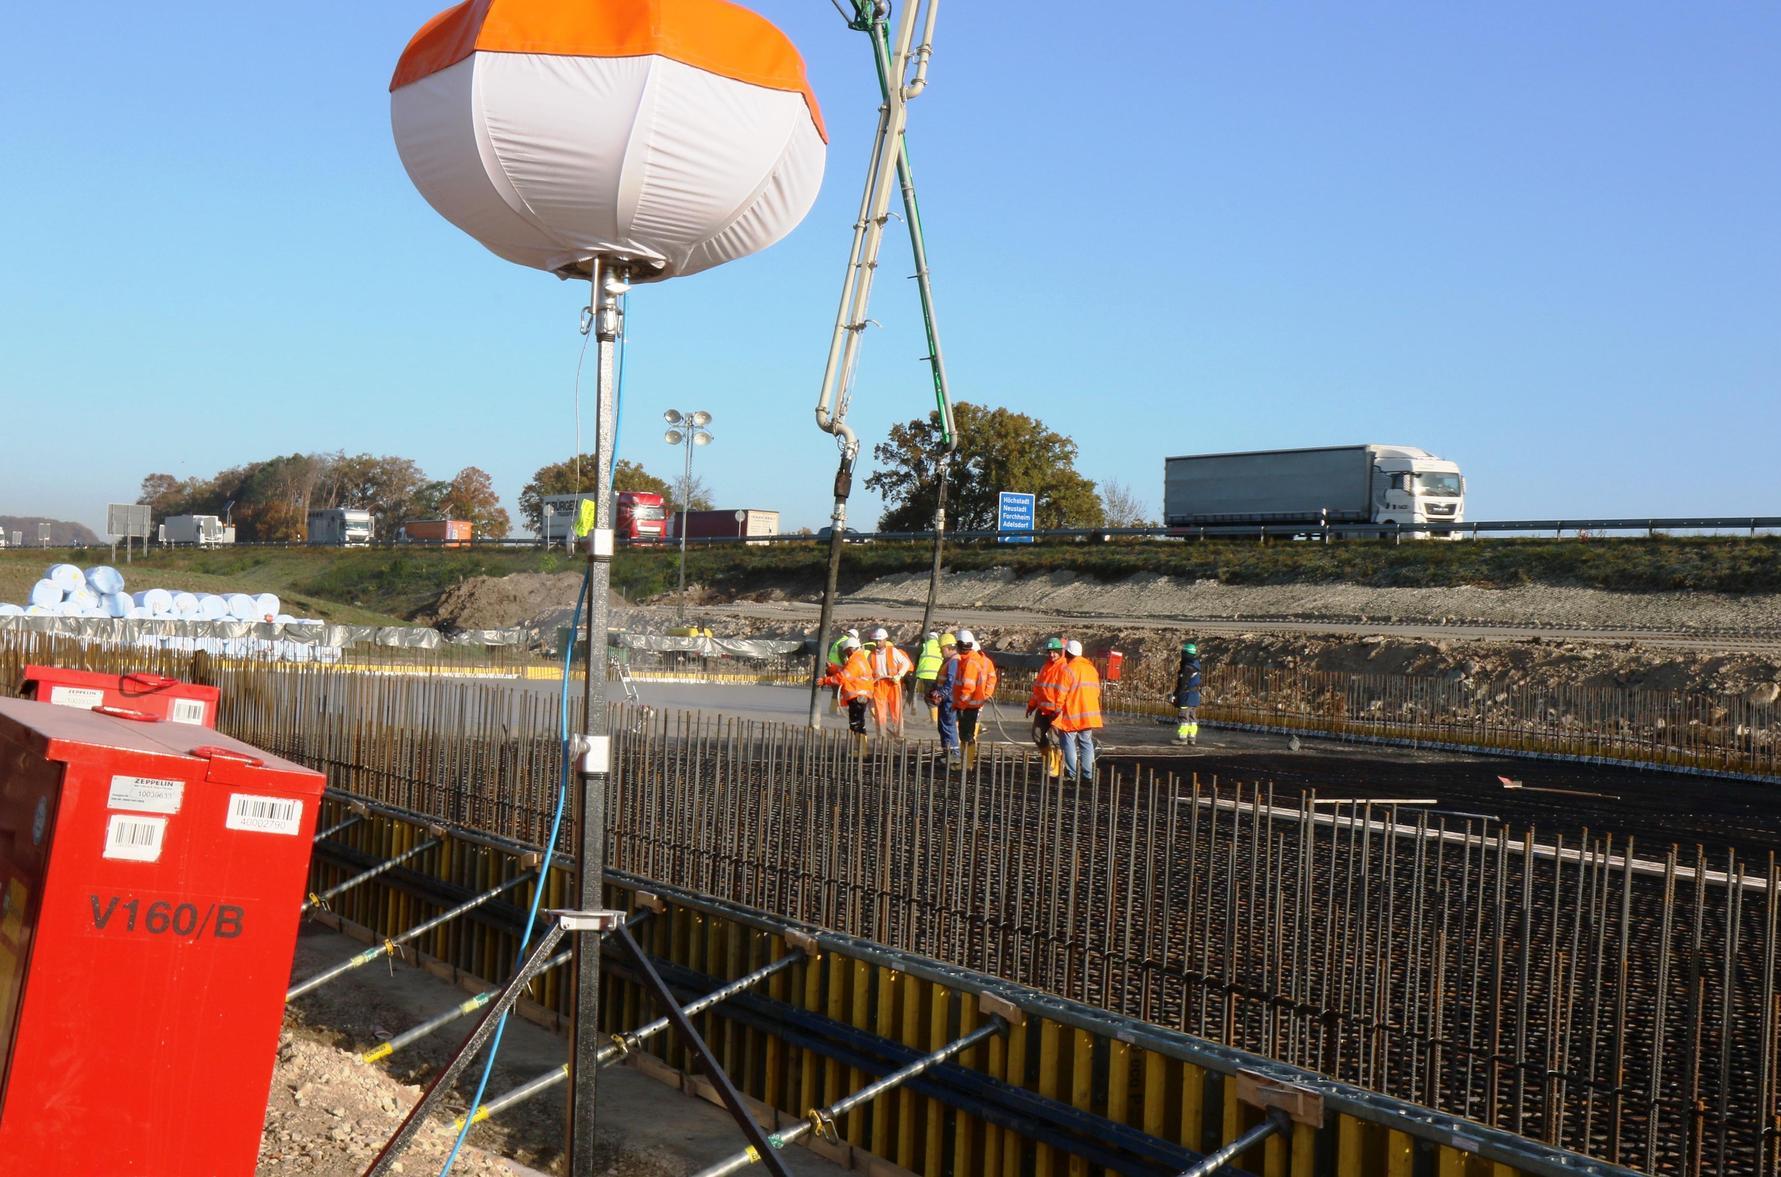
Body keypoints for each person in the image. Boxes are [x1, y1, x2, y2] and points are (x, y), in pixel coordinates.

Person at [1054, 638, 1103, 782]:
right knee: (1086, 742)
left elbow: (1061, 693)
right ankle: (1088, 775)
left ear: (1068, 653)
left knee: (1068, 742)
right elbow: (1097, 691)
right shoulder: (1091, 669)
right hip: (1089, 714)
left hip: (1073, 713)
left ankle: (1072, 773)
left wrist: (1057, 709)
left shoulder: (1068, 669)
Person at [950, 629, 998, 769]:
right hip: (970, 704)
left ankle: (967, 764)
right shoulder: (966, 660)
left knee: (967, 735)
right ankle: (965, 763)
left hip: (969, 705)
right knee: (965, 735)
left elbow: (968, 688)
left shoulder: (970, 663)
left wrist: (960, 704)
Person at [820, 636, 874, 755]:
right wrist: (832, 667)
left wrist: (825, 681)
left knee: (857, 723)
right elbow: (844, 670)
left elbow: (843, 677)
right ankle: (862, 749)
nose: (846, 654)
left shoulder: (856, 661)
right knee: (857, 722)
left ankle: (862, 750)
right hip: (860, 695)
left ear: (850, 649)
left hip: (858, 695)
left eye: (846, 651)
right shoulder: (857, 659)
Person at [1026, 637, 1070, 779]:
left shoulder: (1064, 668)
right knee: (1037, 735)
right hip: (1043, 709)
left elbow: (1063, 691)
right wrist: (1031, 705)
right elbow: (1038, 689)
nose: (1051, 655)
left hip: (1057, 711)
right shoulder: (1045, 667)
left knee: (1056, 740)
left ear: (1060, 652)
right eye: (1049, 652)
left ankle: (1057, 767)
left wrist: (1058, 708)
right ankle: (1049, 761)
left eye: (1054, 652)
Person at [868, 627, 913, 736]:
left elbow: (906, 663)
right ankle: (881, 735)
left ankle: (899, 734)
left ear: (885, 640)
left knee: (896, 710)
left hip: (893, 683)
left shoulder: (893, 651)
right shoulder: (871, 655)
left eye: (880, 640)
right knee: (880, 712)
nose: (878, 643)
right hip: (878, 685)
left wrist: (899, 675)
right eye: (876, 640)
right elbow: (867, 671)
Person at [929, 633, 960, 760]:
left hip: (949, 700)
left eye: (942, 649)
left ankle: (954, 754)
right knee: (942, 726)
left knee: (948, 725)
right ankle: (947, 752)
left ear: (947, 647)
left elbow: (950, 682)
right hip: (946, 699)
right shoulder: (949, 661)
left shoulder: (954, 661)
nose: (941, 652)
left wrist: (941, 694)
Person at [1172, 640, 1203, 745]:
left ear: (1185, 653)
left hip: (1186, 696)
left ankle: (1183, 739)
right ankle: (1192, 738)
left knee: (1184, 717)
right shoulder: (1196, 664)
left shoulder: (1188, 667)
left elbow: (1183, 683)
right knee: (1192, 717)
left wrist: (1175, 695)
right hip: (1194, 696)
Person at [824, 628, 859, 712]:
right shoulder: (845, 641)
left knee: (836, 691)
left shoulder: (840, 639)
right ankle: (839, 710)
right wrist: (846, 664)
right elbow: (842, 653)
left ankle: (833, 710)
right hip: (836, 668)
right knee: (845, 689)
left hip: (831, 667)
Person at [913, 631, 943, 719]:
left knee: (930, 699)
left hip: (925, 675)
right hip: (938, 676)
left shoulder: (924, 646)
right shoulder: (940, 648)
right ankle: (935, 718)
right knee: (935, 697)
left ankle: (934, 721)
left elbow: (916, 659)